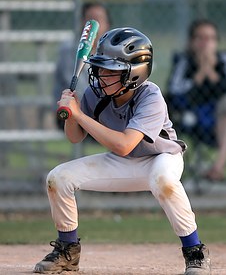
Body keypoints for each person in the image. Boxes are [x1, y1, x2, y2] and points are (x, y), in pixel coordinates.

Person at [34, 28, 211, 275]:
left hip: (162, 158)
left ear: (134, 73)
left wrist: (80, 115)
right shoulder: (96, 93)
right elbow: (74, 137)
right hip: (124, 161)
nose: (101, 76)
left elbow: (124, 143)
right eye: (100, 68)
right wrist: (71, 114)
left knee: (164, 181)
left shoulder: (151, 96)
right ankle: (68, 250)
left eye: (110, 71)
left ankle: (195, 253)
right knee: (59, 177)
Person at [167, 19, 226, 181]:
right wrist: (200, 74)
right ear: (192, 41)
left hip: (219, 119)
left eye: (210, 38)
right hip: (191, 118)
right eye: (200, 38)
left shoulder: (222, 61)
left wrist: (212, 73)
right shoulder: (184, 61)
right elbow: (174, 91)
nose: (205, 44)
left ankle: (217, 167)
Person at [53, 1, 111, 130]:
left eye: (99, 19)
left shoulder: (111, 51)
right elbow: (78, 90)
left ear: (107, 24)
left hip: (102, 111)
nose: (96, 24)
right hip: (70, 112)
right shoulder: (69, 49)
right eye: (90, 19)